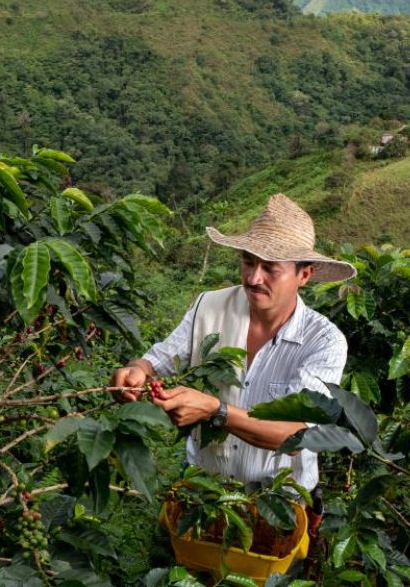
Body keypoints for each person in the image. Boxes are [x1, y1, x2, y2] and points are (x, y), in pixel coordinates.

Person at [111, 193, 356, 491]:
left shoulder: (324, 341)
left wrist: (217, 410)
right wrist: (137, 370)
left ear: (304, 275)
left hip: (281, 499)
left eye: (270, 269)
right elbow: (158, 360)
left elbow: (296, 436)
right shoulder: (208, 307)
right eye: (248, 262)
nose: (253, 278)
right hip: (204, 489)